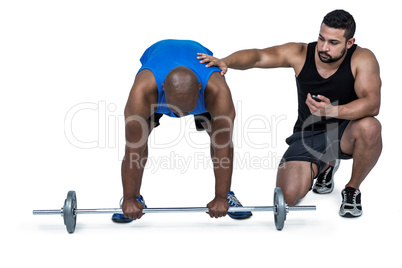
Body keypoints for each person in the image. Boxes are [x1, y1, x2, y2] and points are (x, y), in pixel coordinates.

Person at [197, 10, 382, 217]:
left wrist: (332, 110)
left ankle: (352, 188)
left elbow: (372, 104)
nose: (324, 47)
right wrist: (226, 61)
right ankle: (325, 167)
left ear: (349, 43)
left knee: (370, 126)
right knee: (288, 197)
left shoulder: (362, 58)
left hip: (344, 132)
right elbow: (258, 57)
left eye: (333, 42)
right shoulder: (301, 53)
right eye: (321, 39)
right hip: (308, 134)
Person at [112, 39, 252, 223]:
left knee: (219, 140)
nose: (180, 115)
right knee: (139, 140)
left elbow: (223, 148)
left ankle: (227, 194)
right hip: (158, 57)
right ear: (163, 89)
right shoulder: (143, 92)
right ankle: (135, 197)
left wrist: (220, 198)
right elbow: (132, 150)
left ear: (200, 89)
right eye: (175, 109)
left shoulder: (218, 92)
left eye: (187, 110)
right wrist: (128, 198)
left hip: (199, 72)